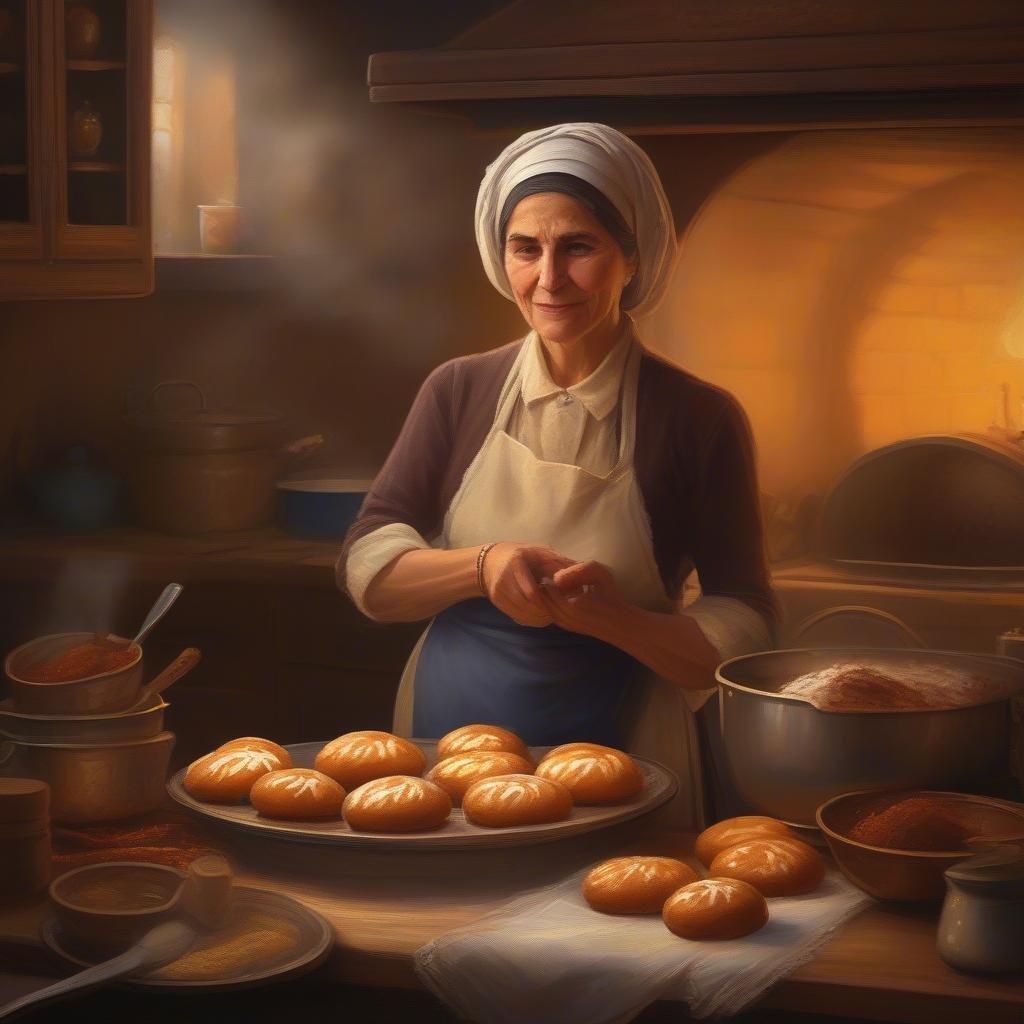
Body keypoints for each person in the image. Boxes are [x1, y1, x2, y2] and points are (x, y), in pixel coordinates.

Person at [339, 123, 774, 828]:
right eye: (526, 248)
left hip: (629, 749)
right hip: (442, 739)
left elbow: (747, 621)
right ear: (500, 255)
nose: (548, 279)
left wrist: (619, 621)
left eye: (578, 247)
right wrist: (483, 568)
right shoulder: (457, 391)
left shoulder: (699, 417)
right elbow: (370, 570)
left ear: (631, 258)